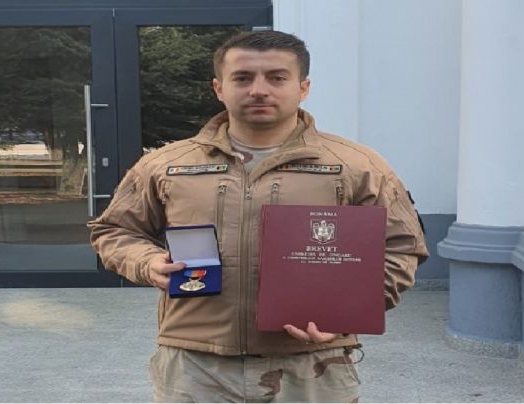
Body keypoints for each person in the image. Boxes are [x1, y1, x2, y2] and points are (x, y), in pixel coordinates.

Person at [88, 30, 428, 403]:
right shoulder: (167, 164)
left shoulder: (357, 166)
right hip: (195, 366)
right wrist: (147, 262)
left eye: (277, 78)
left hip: (312, 366)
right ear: (219, 87)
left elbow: (402, 247)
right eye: (243, 78)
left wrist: (348, 314)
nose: (259, 90)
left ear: (304, 87)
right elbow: (115, 231)